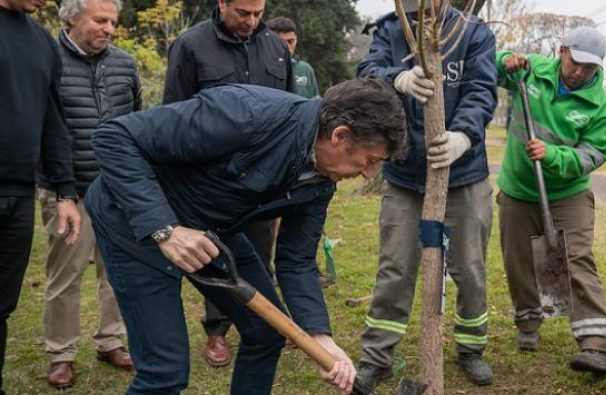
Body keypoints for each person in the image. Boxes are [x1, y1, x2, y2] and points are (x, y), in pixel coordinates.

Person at [87, 78, 406, 394]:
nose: (368, 174)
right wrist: (164, 228)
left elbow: (296, 261)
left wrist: (320, 337)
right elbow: (115, 137)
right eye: (371, 160)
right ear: (340, 135)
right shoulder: (246, 113)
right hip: (132, 221)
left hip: (210, 226)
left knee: (266, 333)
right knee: (164, 371)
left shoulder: (320, 183)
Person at [354, 0, 497, 390]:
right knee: (395, 268)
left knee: (469, 267)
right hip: (404, 173)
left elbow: (482, 91)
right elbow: (367, 74)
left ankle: (470, 347)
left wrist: (464, 135)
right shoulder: (390, 29)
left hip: (464, 174)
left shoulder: (473, 32)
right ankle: (377, 356)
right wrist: (396, 78)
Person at [163, 0, 293, 367]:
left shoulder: (276, 49)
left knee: (259, 254)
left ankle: (269, 323)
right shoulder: (190, 45)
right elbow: (173, 114)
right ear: (221, 4)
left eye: (258, 13)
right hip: (212, 180)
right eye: (242, 13)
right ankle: (217, 330)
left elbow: (288, 110)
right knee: (214, 256)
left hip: (262, 179)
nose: (251, 21)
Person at [495, 26, 606, 375]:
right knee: (519, 260)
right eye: (576, 62)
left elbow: (592, 155)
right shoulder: (531, 70)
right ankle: (529, 323)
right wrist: (507, 60)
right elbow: (487, 65)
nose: (580, 72)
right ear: (562, 51)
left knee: (574, 258)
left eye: (589, 68)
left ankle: (595, 344)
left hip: (568, 193)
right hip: (518, 189)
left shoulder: (600, 106)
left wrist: (553, 156)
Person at [35, 0, 141, 388]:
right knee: (66, 275)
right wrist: (58, 187)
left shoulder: (125, 64)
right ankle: (61, 353)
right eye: (100, 20)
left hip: (116, 188)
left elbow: (136, 122)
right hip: (68, 191)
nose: (109, 28)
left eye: (113, 21)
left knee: (117, 273)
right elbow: (41, 128)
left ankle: (110, 339)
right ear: (70, 17)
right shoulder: (47, 58)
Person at [0, 0, 82, 393]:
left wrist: (66, 191)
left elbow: (54, 122)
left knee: (2, 305)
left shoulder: (42, 42)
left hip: (18, 192)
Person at [267, 16, 320, 98]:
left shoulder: (305, 69)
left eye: (291, 41)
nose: (287, 47)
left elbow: (314, 103)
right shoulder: (260, 68)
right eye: (282, 42)